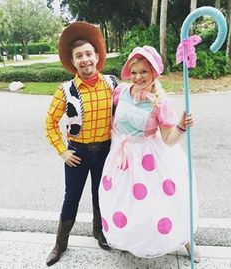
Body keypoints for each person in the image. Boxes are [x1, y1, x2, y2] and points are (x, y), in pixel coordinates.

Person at [99, 45, 201, 262]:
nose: (138, 77)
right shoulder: (120, 92)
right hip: (121, 159)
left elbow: (168, 139)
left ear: (154, 71)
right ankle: (131, 239)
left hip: (150, 161)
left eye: (144, 71)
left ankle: (185, 240)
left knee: (163, 203)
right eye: (134, 72)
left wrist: (181, 126)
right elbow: (112, 120)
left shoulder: (160, 103)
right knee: (125, 202)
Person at [45, 21, 117, 267]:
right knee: (71, 198)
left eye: (88, 54)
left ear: (97, 56)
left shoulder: (112, 84)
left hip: (106, 151)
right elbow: (50, 124)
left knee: (102, 195)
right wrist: (63, 151)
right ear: (73, 61)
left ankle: (100, 232)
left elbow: (130, 109)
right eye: (79, 56)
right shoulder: (65, 90)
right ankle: (60, 244)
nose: (85, 59)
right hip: (77, 152)